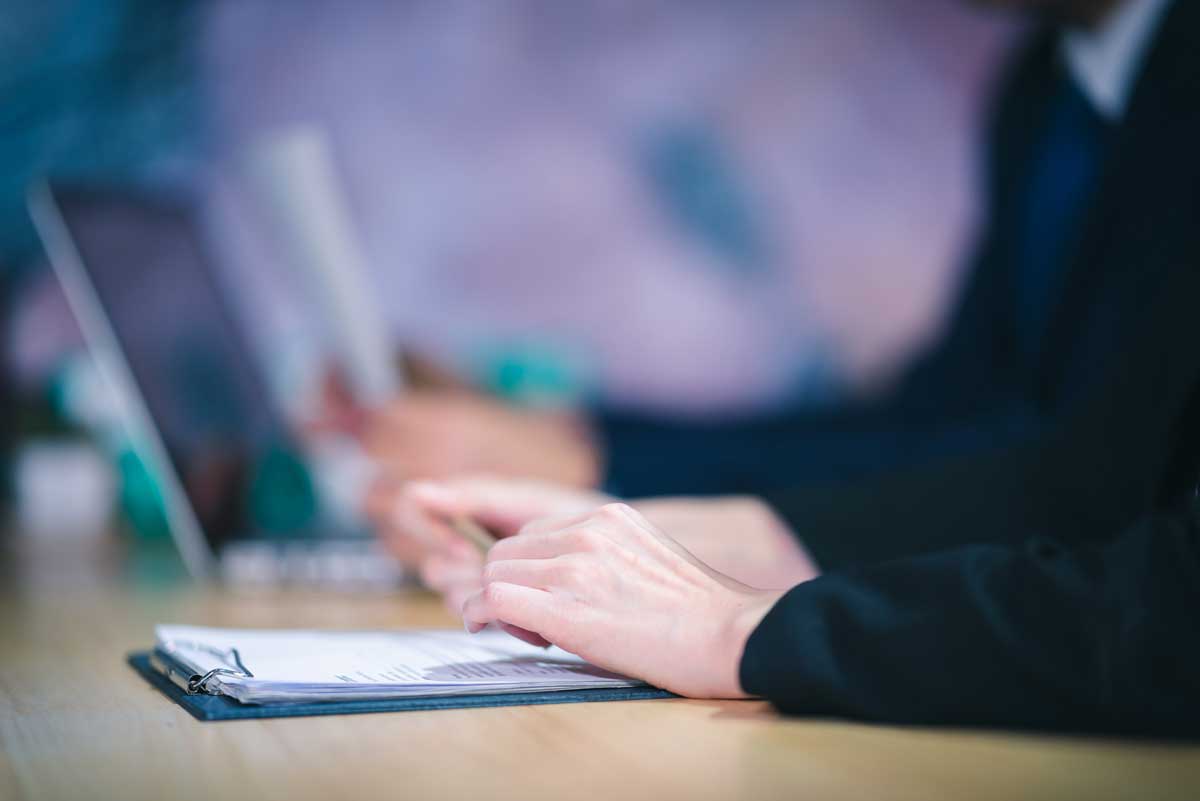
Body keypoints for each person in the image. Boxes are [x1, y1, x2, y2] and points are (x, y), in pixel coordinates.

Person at [367, 0, 1200, 735]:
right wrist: (618, 475)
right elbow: (987, 439)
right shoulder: (1054, 83)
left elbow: (1153, 578)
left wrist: (741, 625)